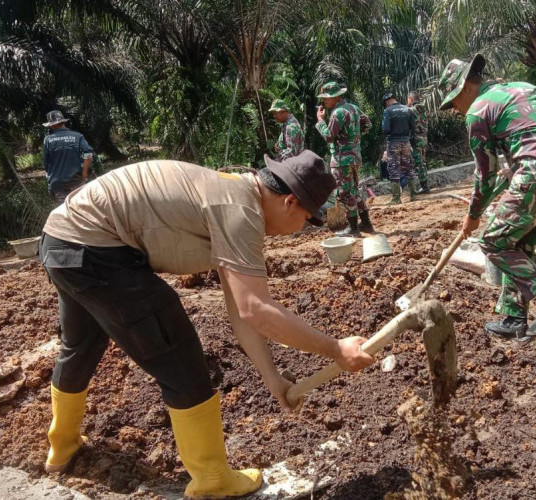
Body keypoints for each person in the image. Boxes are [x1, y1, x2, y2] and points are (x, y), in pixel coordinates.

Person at [38, 151, 375, 499]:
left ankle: (62, 445)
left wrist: (271, 377)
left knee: (81, 346)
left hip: (62, 241)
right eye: (307, 219)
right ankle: (213, 480)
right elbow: (256, 309)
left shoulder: (234, 193)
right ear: (290, 202)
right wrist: (335, 349)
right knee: (180, 358)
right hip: (96, 249)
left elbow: (240, 310)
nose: (301, 228)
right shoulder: (242, 211)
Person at [438, 54, 536, 340]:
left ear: (466, 86)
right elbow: (534, 137)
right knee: (517, 244)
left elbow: (485, 175)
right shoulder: (525, 88)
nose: (456, 109)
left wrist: (473, 216)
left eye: (454, 99)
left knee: (492, 241)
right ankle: (513, 317)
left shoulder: (477, 111)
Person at [316, 82, 374, 237]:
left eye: (326, 98)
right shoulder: (353, 108)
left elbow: (328, 136)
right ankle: (366, 224)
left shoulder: (338, 113)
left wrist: (320, 121)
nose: (324, 101)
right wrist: (354, 138)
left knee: (344, 194)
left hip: (342, 159)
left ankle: (353, 228)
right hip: (355, 156)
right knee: (354, 191)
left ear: (335, 97)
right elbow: (367, 124)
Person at [42, 110, 94, 204]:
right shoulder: (78, 136)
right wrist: (84, 175)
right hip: (76, 182)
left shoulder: (48, 140)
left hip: (57, 184)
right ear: (63, 122)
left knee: (64, 213)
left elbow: (46, 164)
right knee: (81, 210)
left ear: (52, 125)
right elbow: (88, 154)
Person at [382, 93, 417, 205]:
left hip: (393, 143)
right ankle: (414, 195)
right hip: (406, 142)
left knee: (393, 169)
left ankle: (396, 198)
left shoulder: (388, 111)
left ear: (387, 102)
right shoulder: (408, 109)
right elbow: (413, 127)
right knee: (409, 168)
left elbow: (385, 129)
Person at [407, 92, 431, 194]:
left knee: (418, 162)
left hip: (416, 138)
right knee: (422, 161)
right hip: (424, 137)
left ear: (410, 99)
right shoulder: (424, 108)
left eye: (407, 99)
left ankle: (424, 186)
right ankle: (425, 184)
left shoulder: (412, 110)